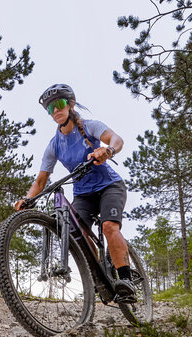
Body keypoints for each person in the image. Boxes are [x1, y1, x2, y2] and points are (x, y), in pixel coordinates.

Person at [15, 83, 135, 300]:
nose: (55, 112)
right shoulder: (54, 145)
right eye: (50, 109)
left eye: (59, 105)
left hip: (110, 186)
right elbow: (41, 180)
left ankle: (125, 277)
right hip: (83, 194)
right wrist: (27, 199)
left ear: (70, 105)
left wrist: (108, 150)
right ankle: (100, 273)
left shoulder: (90, 127)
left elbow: (117, 140)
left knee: (109, 226)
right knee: (74, 234)